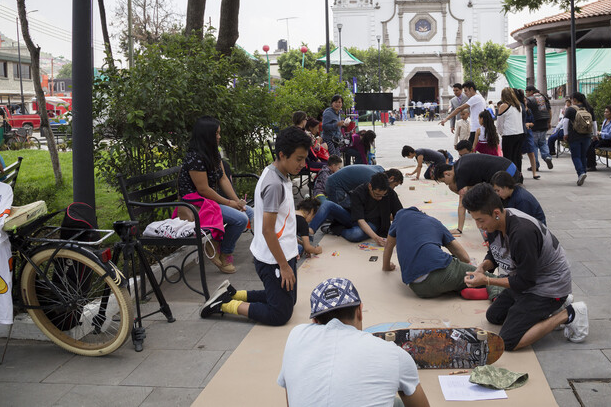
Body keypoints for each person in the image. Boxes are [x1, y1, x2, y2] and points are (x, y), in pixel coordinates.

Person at [200, 126, 312, 325]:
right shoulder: (274, 184)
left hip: (282, 251)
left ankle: (233, 294)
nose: (302, 164)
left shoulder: (276, 172)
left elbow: (281, 221)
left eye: (304, 159)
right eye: (298, 159)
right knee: (280, 315)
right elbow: (267, 230)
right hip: (272, 259)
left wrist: (292, 246)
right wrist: (284, 266)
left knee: (289, 301)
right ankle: (223, 304)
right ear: (282, 154)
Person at [461, 183, 588, 350]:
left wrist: (487, 281)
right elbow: (494, 253)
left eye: (480, 220)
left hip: (548, 286)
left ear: (496, 213)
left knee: (508, 341)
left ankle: (569, 313)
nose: (479, 226)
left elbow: (525, 281)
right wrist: (482, 268)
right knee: (494, 316)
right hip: (528, 280)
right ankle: (555, 307)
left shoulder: (522, 233)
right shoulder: (495, 223)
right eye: (475, 220)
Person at [277, 278, 430, 407]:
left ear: (314, 321)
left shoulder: (296, 336)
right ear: (359, 311)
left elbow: (291, 398)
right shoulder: (394, 354)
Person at [177, 116, 251, 274]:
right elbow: (203, 189)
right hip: (196, 203)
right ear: (206, 135)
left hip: (208, 201)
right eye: (216, 133)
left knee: (249, 211)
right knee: (241, 219)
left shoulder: (213, 153)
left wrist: (236, 200)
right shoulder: (194, 157)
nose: (219, 136)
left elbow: (223, 179)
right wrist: (230, 203)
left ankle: (219, 245)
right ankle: (225, 253)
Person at [383, 207, 476, 298]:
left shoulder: (400, 215)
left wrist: (386, 267)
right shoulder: (436, 223)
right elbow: (465, 257)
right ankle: (490, 292)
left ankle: (465, 289)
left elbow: (388, 245)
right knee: (481, 275)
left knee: (450, 280)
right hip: (439, 274)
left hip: (418, 287)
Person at [433, 153, 517, 234]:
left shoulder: (460, 175)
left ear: (446, 173)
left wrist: (459, 229)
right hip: (508, 165)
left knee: (501, 206)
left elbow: (462, 205)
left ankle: (506, 231)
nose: (446, 184)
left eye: (444, 181)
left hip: (507, 173)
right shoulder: (459, 163)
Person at [343, 172, 403, 245]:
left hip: (374, 224)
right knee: (330, 206)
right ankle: (339, 229)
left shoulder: (390, 192)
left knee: (356, 233)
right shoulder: (358, 192)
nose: (380, 198)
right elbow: (360, 220)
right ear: (370, 186)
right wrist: (376, 238)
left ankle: (342, 228)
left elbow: (399, 214)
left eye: (383, 195)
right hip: (359, 220)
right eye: (377, 195)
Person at [562, 92, 598, 186]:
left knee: (575, 156)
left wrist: (565, 134)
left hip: (574, 136)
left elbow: (565, 122)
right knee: (583, 155)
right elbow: (594, 122)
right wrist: (595, 134)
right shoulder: (589, 108)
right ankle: (583, 172)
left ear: (575, 100)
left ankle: (580, 173)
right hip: (586, 136)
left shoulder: (571, 109)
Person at [497, 87, 525, 174]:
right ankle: (518, 175)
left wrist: (501, 133)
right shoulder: (518, 106)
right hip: (520, 133)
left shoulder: (503, 106)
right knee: (517, 157)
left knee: (508, 158)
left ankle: (510, 177)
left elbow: (499, 123)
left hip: (509, 134)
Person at [525, 85, 553, 170]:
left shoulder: (529, 100)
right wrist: (549, 122)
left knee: (534, 145)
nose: (526, 94)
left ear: (531, 91)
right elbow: (549, 111)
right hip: (544, 123)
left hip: (534, 124)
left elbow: (527, 111)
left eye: (526, 92)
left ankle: (535, 165)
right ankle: (547, 157)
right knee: (543, 142)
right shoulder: (544, 97)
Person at [586, 105, 611, 171]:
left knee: (590, 145)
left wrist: (600, 133)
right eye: (605, 112)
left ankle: (592, 166)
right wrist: (597, 136)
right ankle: (588, 164)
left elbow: (610, 135)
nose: (605, 113)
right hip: (602, 139)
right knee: (587, 142)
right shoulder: (606, 120)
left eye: (607, 112)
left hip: (608, 141)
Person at [517, 89, 540, 180]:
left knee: (532, 153)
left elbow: (533, 122)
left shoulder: (529, 110)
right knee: (519, 154)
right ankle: (519, 173)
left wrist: (529, 124)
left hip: (528, 133)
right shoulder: (519, 109)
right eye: (524, 99)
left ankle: (534, 173)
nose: (526, 101)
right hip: (521, 133)